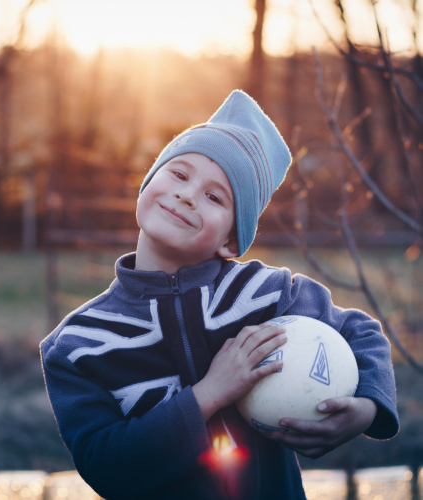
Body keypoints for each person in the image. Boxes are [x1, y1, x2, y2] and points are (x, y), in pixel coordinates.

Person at [40, 90, 398, 500]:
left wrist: (366, 409)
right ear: (147, 183)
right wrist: (208, 394)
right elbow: (105, 465)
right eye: (178, 174)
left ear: (231, 240)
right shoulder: (78, 346)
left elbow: (361, 332)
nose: (187, 194)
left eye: (214, 197)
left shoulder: (267, 295)